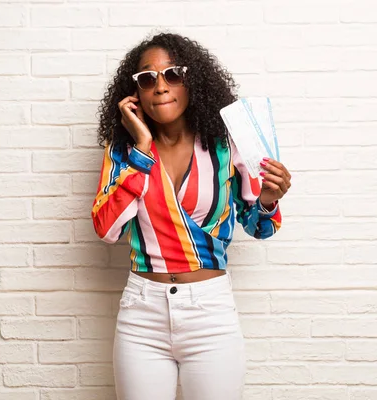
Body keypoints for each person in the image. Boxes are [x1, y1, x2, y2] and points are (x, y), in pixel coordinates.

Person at [91, 32, 291, 400]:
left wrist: (267, 198)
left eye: (173, 74)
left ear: (192, 79)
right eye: (147, 78)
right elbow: (106, 229)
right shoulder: (124, 151)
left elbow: (259, 226)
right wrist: (142, 150)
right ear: (135, 92)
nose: (160, 86)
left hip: (210, 312)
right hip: (142, 313)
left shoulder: (227, 144)